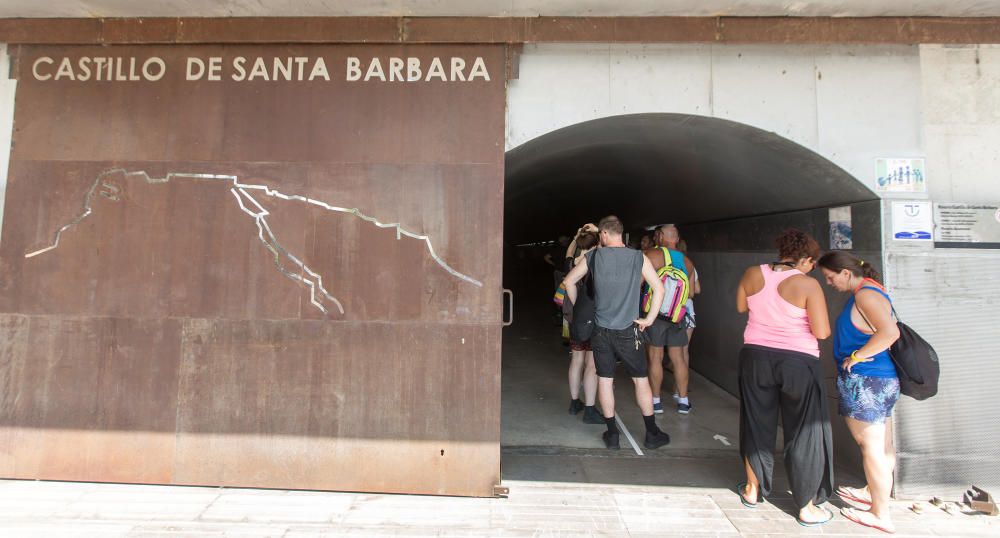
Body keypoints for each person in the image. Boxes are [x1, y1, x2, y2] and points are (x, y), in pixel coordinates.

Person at [736, 229, 834, 527]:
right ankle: (805, 506)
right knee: (804, 430)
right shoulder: (808, 284)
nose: (813, 268)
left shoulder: (753, 273)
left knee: (756, 422)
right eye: (813, 263)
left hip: (755, 356)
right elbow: (821, 332)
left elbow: (742, 307)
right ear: (805, 259)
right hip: (798, 361)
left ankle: (752, 490)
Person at [562, 215, 672, 450]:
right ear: (620, 233)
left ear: (603, 234)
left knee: (605, 380)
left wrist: (582, 311)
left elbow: (569, 281)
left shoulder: (593, 257)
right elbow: (659, 289)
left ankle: (612, 435)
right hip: (629, 330)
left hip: (601, 330)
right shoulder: (637, 257)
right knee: (640, 381)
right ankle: (652, 433)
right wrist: (648, 319)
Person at [818, 251, 901, 534]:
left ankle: (881, 513)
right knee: (883, 445)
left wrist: (856, 356)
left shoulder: (865, 294)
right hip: (881, 379)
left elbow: (889, 333)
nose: (830, 283)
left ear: (845, 272)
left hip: (867, 381)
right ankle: (873, 494)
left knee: (871, 447)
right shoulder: (872, 290)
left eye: (830, 277)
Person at [644, 224, 697, 414]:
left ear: (659, 236)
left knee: (655, 357)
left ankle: (656, 402)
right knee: (679, 358)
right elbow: (690, 293)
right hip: (677, 316)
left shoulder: (652, 255)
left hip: (655, 316)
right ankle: (683, 401)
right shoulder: (687, 262)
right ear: (676, 238)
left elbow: (639, 284)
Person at [565, 228, 603, 424]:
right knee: (592, 365)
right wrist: (598, 231)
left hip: (576, 319)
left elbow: (569, 256)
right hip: (594, 318)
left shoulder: (573, 262)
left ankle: (574, 403)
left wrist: (577, 305)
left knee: (576, 360)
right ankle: (589, 409)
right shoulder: (595, 260)